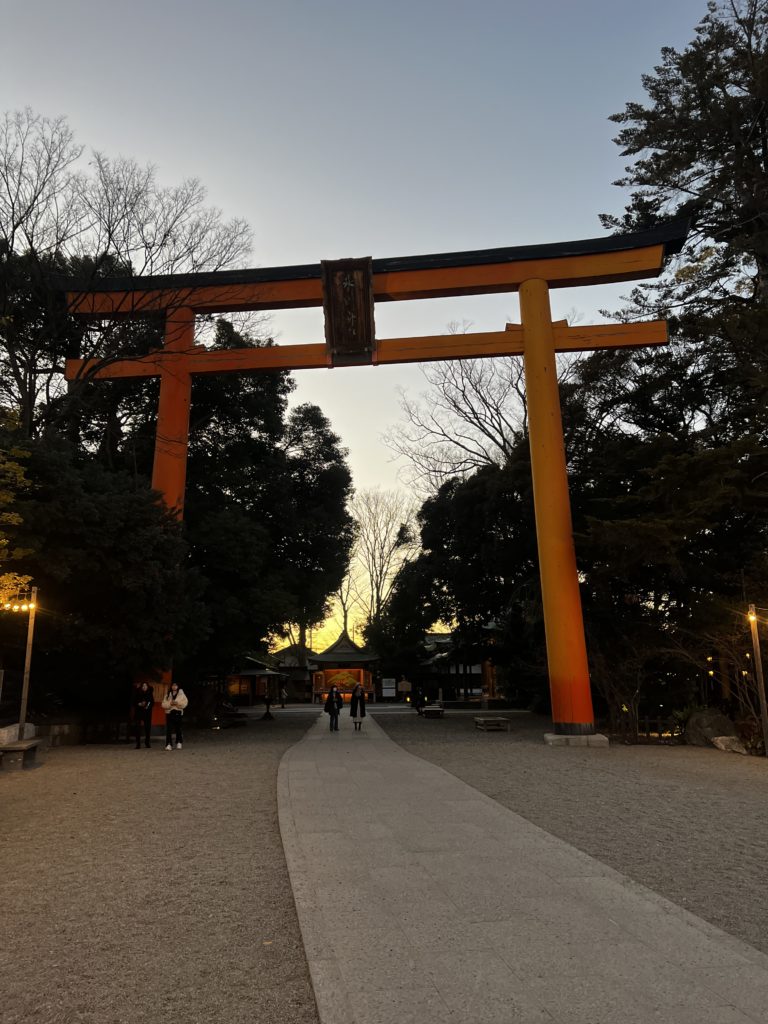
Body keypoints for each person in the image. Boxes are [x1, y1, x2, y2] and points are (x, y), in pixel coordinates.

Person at [162, 682, 189, 750]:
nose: (174, 686)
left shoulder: (181, 694)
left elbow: (185, 703)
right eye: (173, 685)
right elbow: (163, 704)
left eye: (175, 685)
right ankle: (168, 744)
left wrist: (177, 703)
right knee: (169, 729)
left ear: (178, 686)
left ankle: (179, 742)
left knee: (178, 728)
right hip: (169, 712)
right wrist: (170, 704)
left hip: (178, 712)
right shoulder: (168, 694)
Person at [133, 681, 154, 749]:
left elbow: (151, 703)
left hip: (147, 713)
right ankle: (138, 743)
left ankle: (147, 742)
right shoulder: (137, 693)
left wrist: (146, 706)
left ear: (147, 687)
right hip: (138, 712)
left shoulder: (150, 693)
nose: (144, 687)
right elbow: (133, 702)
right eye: (143, 686)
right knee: (137, 728)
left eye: (145, 686)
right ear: (141, 687)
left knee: (147, 728)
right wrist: (138, 704)